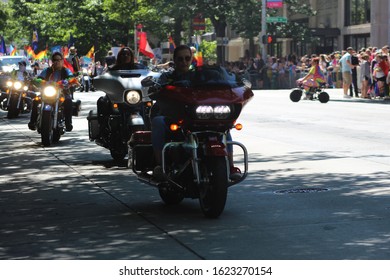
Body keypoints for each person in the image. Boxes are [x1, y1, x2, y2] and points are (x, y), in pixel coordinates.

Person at [151, 44, 241, 181]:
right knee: (157, 122)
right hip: (175, 117)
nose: (184, 62)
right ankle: (160, 166)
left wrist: (234, 84)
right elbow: (157, 90)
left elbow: (215, 86)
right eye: (180, 59)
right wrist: (156, 89)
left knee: (224, 126)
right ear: (174, 60)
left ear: (191, 59)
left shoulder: (199, 75)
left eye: (187, 58)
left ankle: (231, 165)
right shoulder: (167, 77)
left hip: (197, 116)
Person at [28, 52, 76, 132]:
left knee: (68, 101)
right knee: (36, 101)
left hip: (62, 92)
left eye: (58, 60)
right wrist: (37, 81)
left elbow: (71, 77)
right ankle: (33, 122)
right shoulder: (47, 70)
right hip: (47, 92)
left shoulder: (65, 70)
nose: (56, 62)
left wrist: (68, 81)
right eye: (54, 60)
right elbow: (40, 78)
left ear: (62, 61)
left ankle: (68, 123)